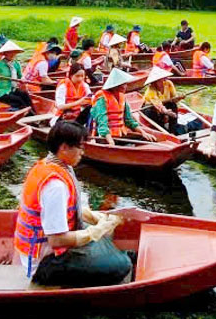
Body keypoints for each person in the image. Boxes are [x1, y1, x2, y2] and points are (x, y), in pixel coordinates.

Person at [14, 121, 133, 286]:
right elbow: (57, 240)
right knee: (123, 265)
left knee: (103, 235)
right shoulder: (55, 186)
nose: (83, 152)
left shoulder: (51, 165)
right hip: (44, 262)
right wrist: (95, 231)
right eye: (80, 147)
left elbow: (68, 208)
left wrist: (96, 217)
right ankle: (118, 258)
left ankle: (114, 255)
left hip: (49, 249)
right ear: (64, 147)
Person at [90, 69, 152, 145]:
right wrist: (110, 141)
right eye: (124, 84)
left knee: (144, 138)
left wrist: (143, 133)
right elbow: (102, 122)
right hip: (105, 136)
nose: (126, 86)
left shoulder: (122, 97)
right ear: (116, 85)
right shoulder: (102, 97)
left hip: (120, 134)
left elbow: (129, 121)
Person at [140, 68, 205, 135]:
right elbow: (158, 105)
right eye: (157, 81)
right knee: (150, 111)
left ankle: (172, 130)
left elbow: (174, 99)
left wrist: (180, 98)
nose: (160, 82)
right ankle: (161, 129)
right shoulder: (150, 91)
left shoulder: (168, 84)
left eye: (161, 80)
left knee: (172, 104)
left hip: (164, 106)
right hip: (152, 109)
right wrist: (167, 112)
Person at [0, 40, 34, 111]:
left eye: (14, 52)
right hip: (1, 92)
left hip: (13, 90)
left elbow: (20, 76)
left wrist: (22, 79)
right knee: (18, 100)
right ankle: (26, 114)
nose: (12, 54)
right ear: (5, 53)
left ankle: (33, 114)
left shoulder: (16, 64)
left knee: (25, 96)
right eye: (9, 52)